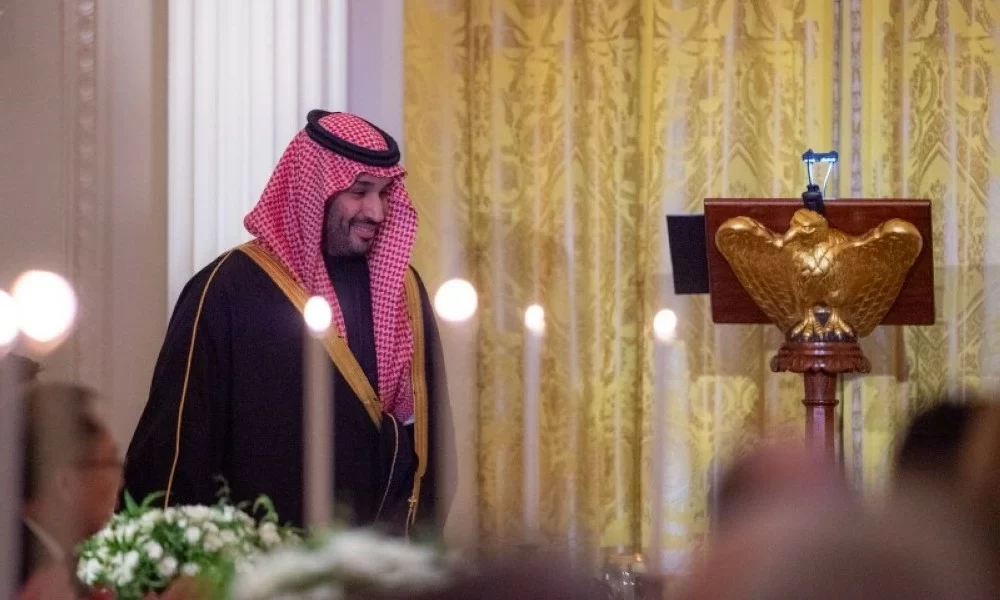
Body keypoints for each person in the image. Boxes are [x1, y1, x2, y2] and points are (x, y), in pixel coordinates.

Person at [124, 110, 449, 534]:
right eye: (359, 191)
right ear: (313, 191)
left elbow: (429, 440)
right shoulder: (226, 290)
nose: (376, 211)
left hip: (374, 554)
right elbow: (179, 448)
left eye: (385, 193)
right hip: (258, 558)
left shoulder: (403, 291)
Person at [17, 383, 122, 597]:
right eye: (110, 462)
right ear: (66, 482)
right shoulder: (22, 571)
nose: (119, 480)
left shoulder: (59, 557)